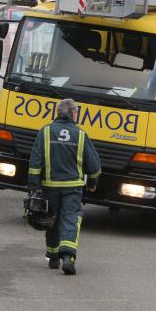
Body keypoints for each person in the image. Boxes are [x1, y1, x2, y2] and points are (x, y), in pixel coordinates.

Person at [28, 98, 101, 275]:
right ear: (74, 114)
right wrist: (92, 184)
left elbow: (35, 162)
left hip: (49, 186)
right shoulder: (81, 135)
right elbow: (94, 166)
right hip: (73, 188)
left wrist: (34, 187)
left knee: (50, 218)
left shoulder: (45, 132)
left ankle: (53, 257)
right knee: (70, 219)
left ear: (57, 113)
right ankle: (68, 257)